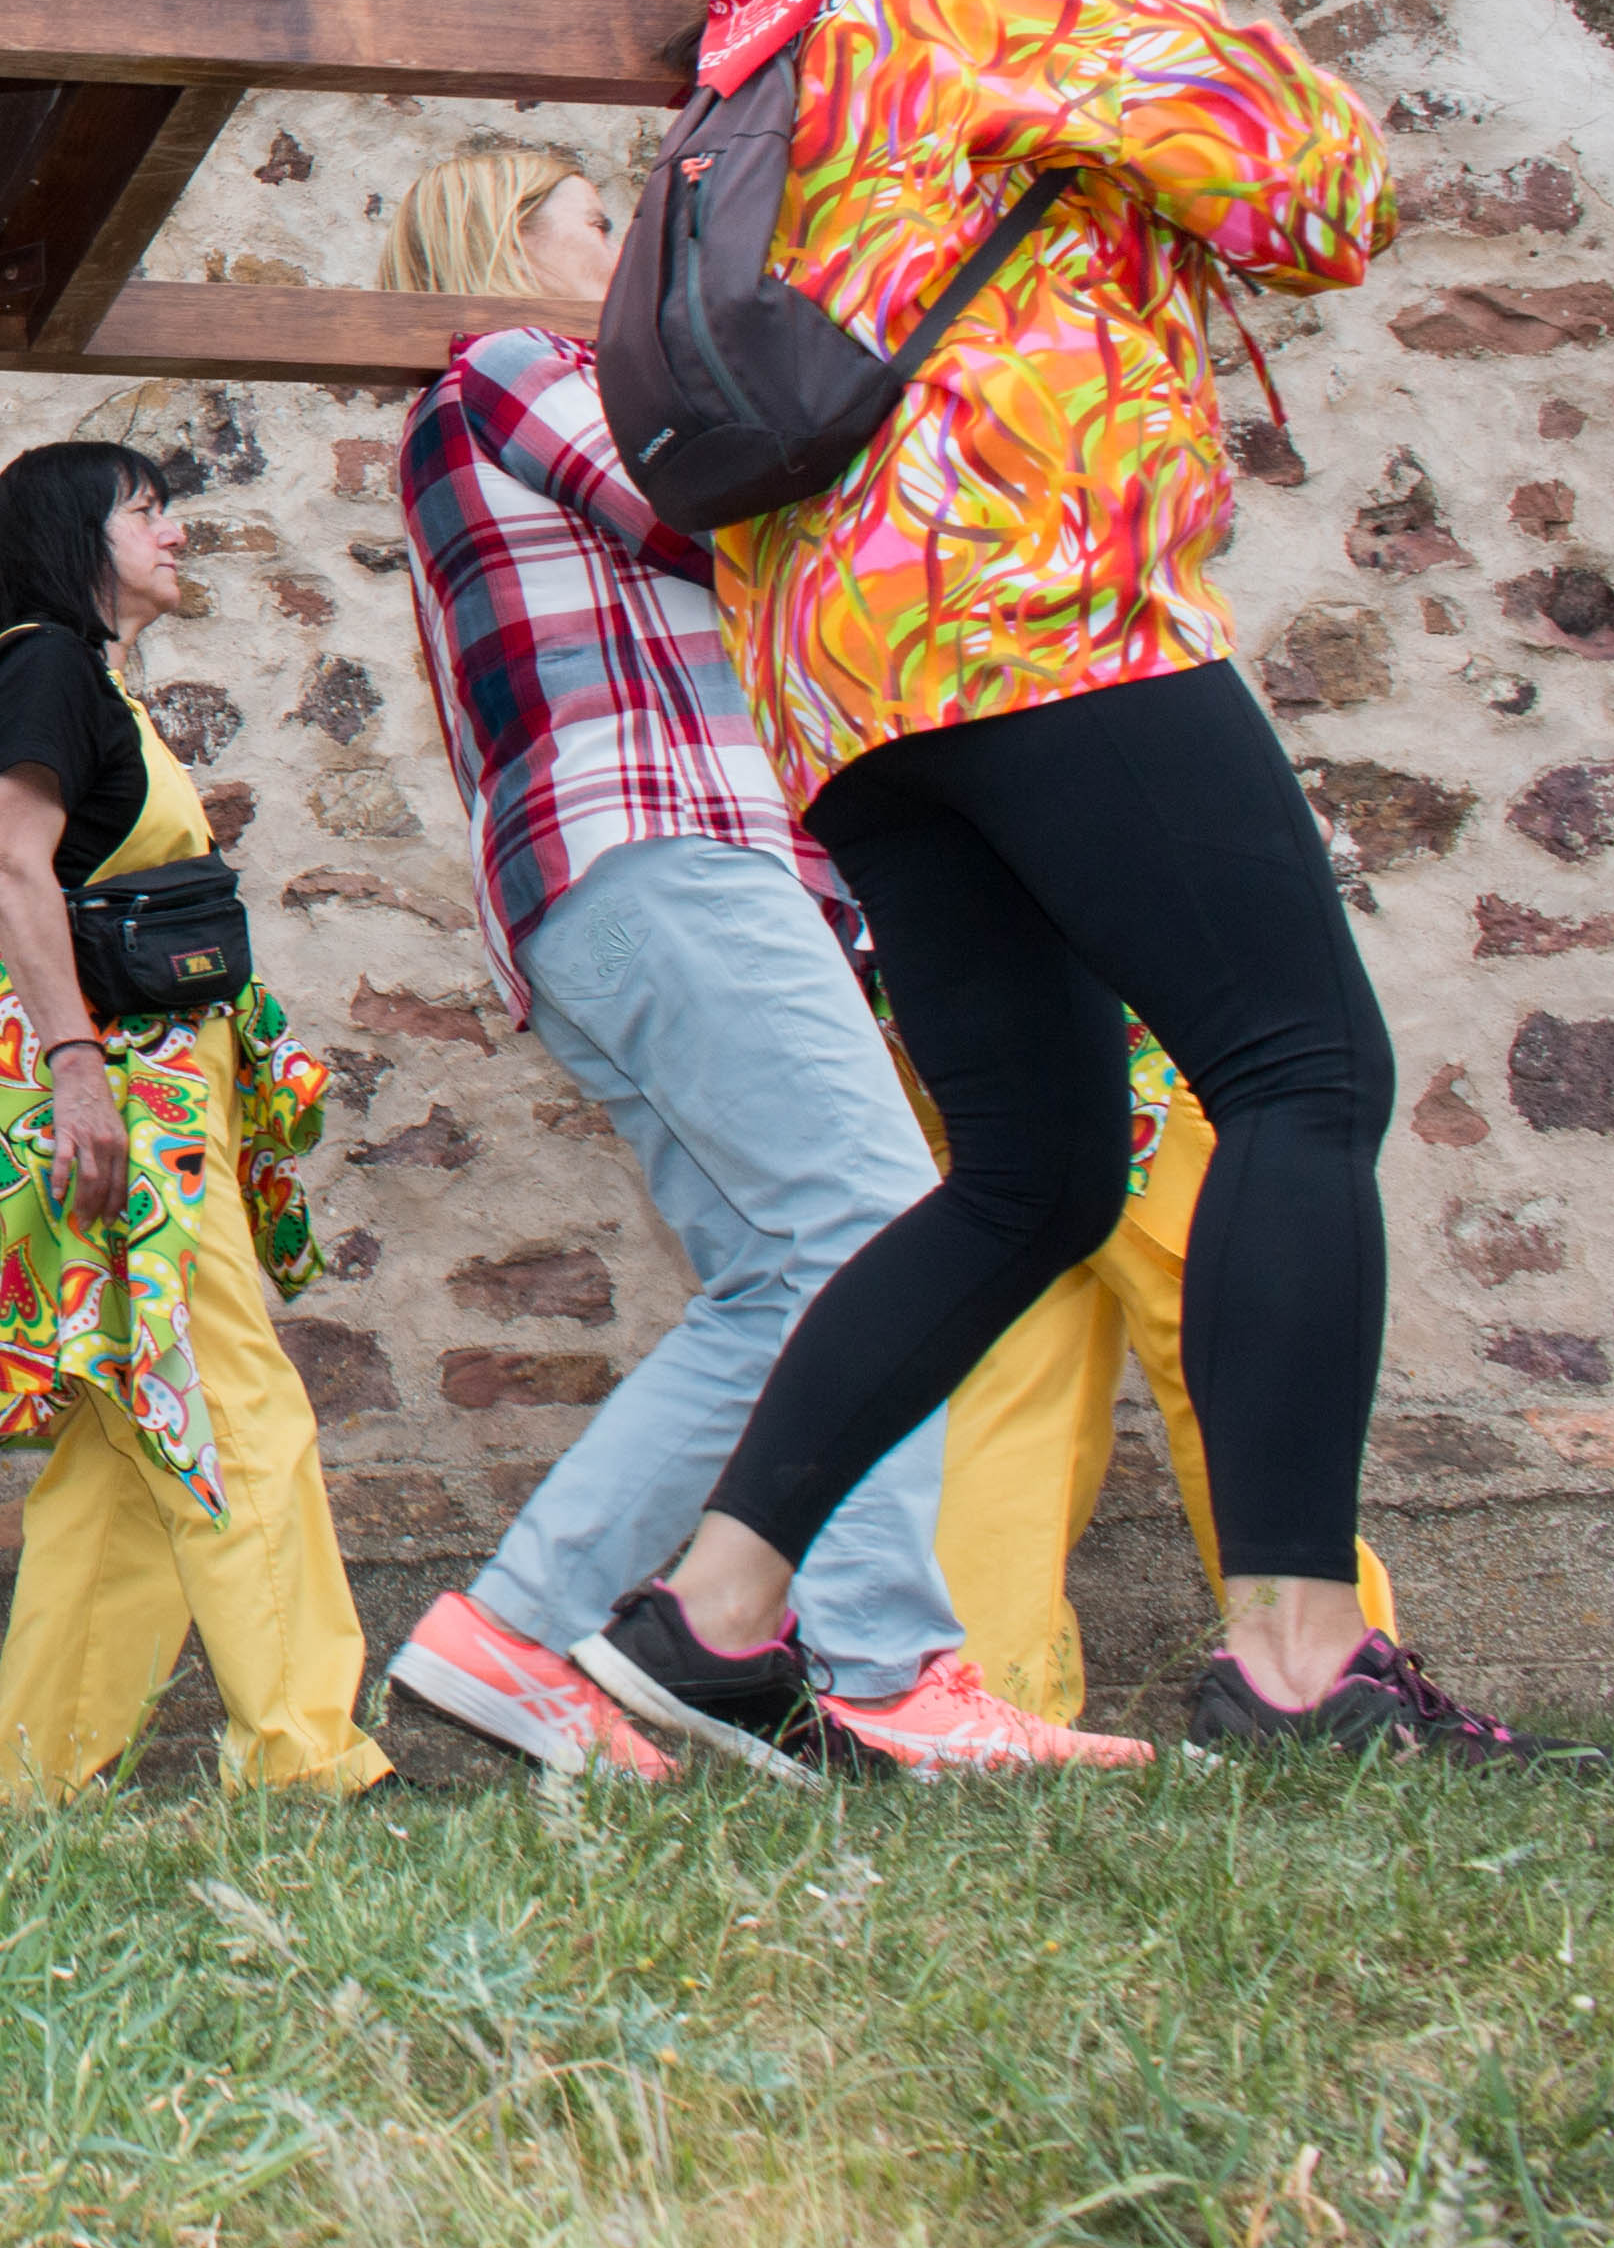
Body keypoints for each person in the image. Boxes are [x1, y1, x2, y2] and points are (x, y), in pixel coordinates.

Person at [579, 0, 1570, 1766]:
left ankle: (709, 1616)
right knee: (1304, 1076)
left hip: (845, 673)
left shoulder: (753, 45)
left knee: (1023, 1171)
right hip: (1040, 597)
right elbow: (1320, 191)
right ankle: (1305, 1665)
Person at [377, 142, 1144, 1784]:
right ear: (514, 238)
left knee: (778, 1283)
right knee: (873, 1237)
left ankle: (513, 1634)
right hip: (656, 845)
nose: (636, 242)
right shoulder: (514, 365)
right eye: (604, 217)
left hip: (653, 871)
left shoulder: (512, 388)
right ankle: (883, 1664)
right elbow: (706, 512)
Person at [0, 441, 380, 1798]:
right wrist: (79, 1067)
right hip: (117, 1094)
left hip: (153, 1091)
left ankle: (29, 1775)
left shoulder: (90, 679)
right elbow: (13, 865)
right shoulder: (41, 669)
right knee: (230, 1400)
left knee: (131, 1440)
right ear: (78, 532)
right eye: (147, 511)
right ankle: (304, 1749)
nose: (175, 533)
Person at [912, 1021, 1402, 1726]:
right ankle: (1326, 1688)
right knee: (1231, 1341)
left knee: (1016, 1365)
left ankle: (986, 1699)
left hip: (953, 1012)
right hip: (1108, 1032)